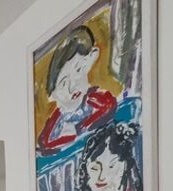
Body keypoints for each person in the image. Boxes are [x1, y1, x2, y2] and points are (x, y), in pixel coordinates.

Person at [38, 26, 116, 155]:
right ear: (53, 95)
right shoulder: (56, 120)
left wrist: (79, 129)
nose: (73, 86)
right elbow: (45, 144)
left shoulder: (92, 99)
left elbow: (109, 105)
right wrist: (66, 139)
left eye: (79, 70)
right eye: (63, 84)